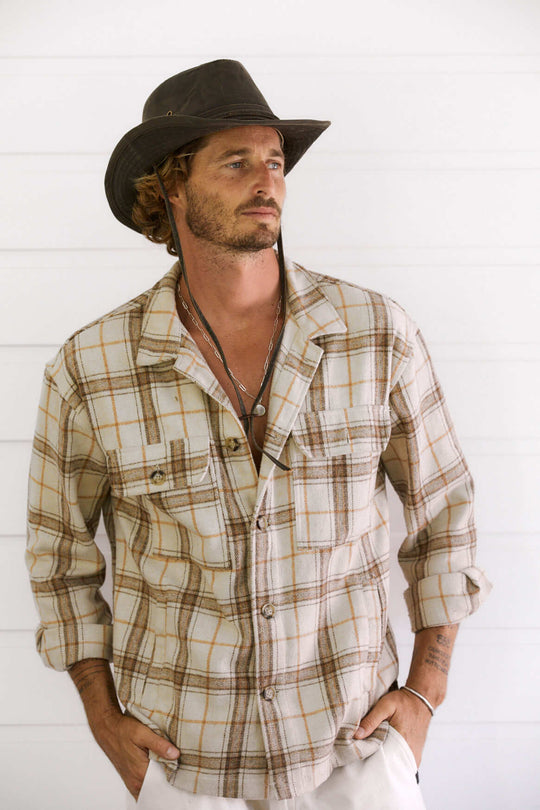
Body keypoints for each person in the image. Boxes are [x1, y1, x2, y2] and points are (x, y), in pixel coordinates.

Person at [26, 59, 491, 809]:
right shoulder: (93, 367)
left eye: (275, 161)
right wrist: (102, 716)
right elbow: (59, 558)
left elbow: (446, 517)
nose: (267, 181)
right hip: (183, 763)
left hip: (353, 751)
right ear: (170, 186)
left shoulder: (377, 337)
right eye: (236, 162)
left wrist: (426, 692)